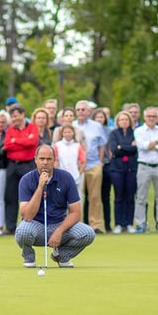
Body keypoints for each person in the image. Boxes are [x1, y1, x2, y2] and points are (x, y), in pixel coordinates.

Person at [14, 145, 95, 268]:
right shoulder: (26, 180)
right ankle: (29, 256)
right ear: (35, 159)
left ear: (54, 160)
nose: (45, 163)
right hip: (36, 225)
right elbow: (27, 216)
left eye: (49, 159)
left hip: (59, 224)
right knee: (22, 231)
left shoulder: (66, 178)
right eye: (41, 159)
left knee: (88, 233)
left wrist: (59, 231)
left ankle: (61, 255)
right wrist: (40, 187)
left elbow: (76, 212)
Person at [3, 103, 38, 233]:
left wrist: (15, 140)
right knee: (10, 196)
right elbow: (7, 145)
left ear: (23, 114)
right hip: (13, 164)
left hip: (27, 164)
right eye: (12, 117)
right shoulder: (10, 129)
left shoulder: (33, 127)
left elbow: (32, 142)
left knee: (28, 195)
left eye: (16, 116)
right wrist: (22, 140)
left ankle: (28, 225)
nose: (14, 119)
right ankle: (10, 227)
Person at [75, 100, 108, 233]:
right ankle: (78, 224)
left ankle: (96, 225)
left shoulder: (96, 126)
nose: (81, 112)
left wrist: (100, 163)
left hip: (94, 164)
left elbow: (102, 145)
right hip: (77, 166)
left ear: (89, 111)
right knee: (77, 197)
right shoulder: (72, 126)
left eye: (83, 109)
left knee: (95, 196)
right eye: (78, 110)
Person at [134, 107, 158, 233]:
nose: (151, 118)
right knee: (141, 197)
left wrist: (150, 145)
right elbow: (141, 146)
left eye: (154, 116)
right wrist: (154, 144)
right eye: (149, 116)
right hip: (144, 166)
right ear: (145, 117)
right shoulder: (139, 131)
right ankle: (140, 224)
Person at [108, 111, 137, 233]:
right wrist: (127, 147)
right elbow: (114, 149)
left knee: (130, 196)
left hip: (131, 168)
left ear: (129, 121)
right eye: (121, 119)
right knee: (119, 196)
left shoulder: (135, 133)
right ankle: (119, 223)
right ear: (118, 122)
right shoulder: (114, 133)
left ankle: (129, 223)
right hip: (117, 168)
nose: (124, 121)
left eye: (126, 119)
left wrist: (122, 147)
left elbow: (135, 149)